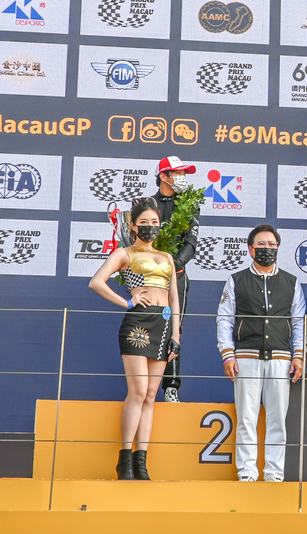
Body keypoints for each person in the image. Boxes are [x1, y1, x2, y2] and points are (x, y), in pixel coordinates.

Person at [88, 198, 181, 480]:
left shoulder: (167, 257)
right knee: (138, 392)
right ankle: (125, 460)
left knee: (151, 395)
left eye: (154, 222)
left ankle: (141, 463)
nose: (150, 227)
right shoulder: (125, 253)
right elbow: (96, 281)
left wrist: (176, 335)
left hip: (163, 325)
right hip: (137, 324)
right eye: (144, 222)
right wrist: (127, 302)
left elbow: (174, 299)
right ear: (133, 225)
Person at [216, 224, 306, 482]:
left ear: (278, 248)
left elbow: (299, 322)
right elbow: (225, 319)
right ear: (250, 249)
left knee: (277, 420)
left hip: (281, 358)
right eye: (261, 244)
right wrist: (227, 353)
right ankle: (247, 472)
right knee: (246, 418)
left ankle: (274, 474)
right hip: (246, 358)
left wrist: (298, 355)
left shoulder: (291, 282)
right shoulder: (236, 280)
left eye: (271, 244)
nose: (267, 249)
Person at [153, 155, 200, 403]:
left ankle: (171, 386)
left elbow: (191, 243)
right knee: (148, 325)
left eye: (184, 174)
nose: (183, 178)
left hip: (176, 276)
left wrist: (173, 266)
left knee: (174, 328)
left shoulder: (189, 204)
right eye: (178, 173)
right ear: (164, 176)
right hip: (149, 277)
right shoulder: (145, 204)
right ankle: (145, 383)